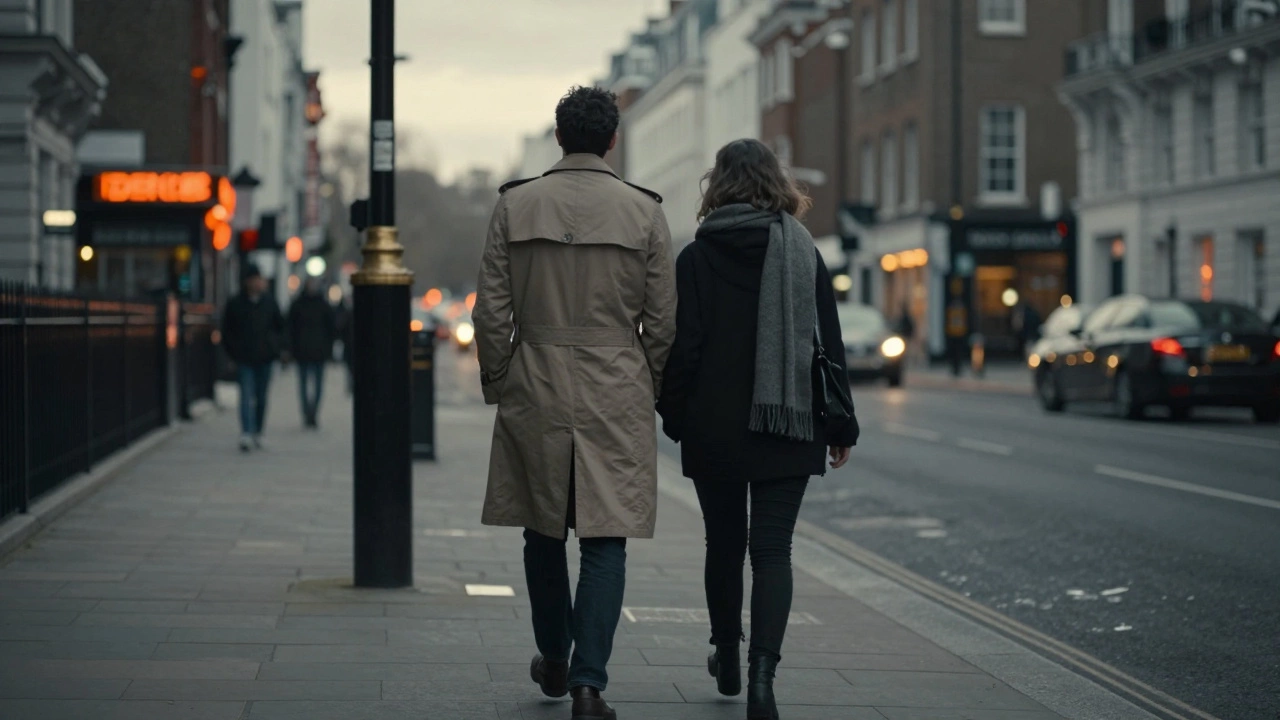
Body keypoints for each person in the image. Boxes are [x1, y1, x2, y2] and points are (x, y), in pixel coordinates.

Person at [473, 85, 676, 720]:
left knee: (542, 529)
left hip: (535, 374)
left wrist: (501, 378)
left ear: (559, 137)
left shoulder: (517, 204)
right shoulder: (643, 212)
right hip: (615, 379)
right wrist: (651, 386)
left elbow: (490, 311)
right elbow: (663, 321)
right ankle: (589, 684)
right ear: (612, 139)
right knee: (605, 537)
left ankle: (554, 659)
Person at [656, 139, 859, 720]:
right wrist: (840, 422)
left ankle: (725, 650)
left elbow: (683, 346)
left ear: (716, 186)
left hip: (715, 425)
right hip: (790, 422)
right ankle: (763, 680)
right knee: (773, 550)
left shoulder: (697, 256)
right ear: (777, 182)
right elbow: (829, 343)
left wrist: (675, 417)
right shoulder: (802, 249)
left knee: (723, 543)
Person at [221, 264, 284, 452]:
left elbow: (280, 327)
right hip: (244, 357)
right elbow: (227, 331)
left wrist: (276, 348)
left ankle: (258, 431)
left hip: (265, 357)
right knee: (246, 396)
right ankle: (247, 432)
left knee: (261, 397)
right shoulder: (235, 303)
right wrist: (233, 353)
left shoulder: (269, 302)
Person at [287, 278, 337, 428]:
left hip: (318, 352)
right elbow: (290, 328)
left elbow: (331, 329)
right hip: (303, 351)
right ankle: (307, 413)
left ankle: (312, 413)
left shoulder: (322, 305)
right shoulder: (299, 305)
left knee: (316, 385)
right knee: (305, 385)